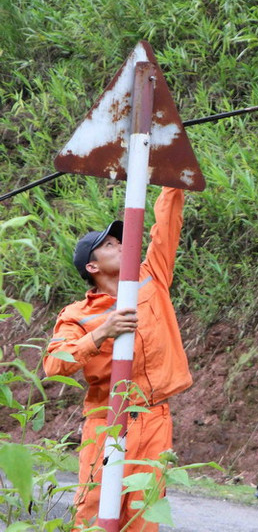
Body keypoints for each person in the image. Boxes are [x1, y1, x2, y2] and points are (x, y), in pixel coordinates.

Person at [44, 187, 193, 532]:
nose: (122, 246)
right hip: (106, 419)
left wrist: (171, 180)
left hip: (154, 416)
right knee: (94, 513)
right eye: (110, 245)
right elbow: (54, 365)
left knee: (144, 513)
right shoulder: (76, 315)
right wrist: (102, 332)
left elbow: (167, 225)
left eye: (120, 241)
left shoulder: (151, 277)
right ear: (92, 266)